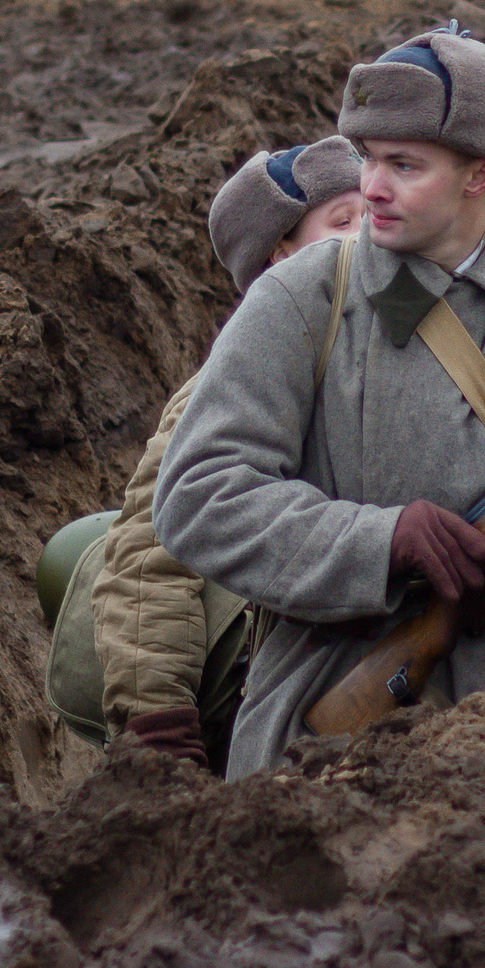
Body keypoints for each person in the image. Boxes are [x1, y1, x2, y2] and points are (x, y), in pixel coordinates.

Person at [156, 27, 485, 778]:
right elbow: (195, 497)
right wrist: (380, 541)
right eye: (365, 157)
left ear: (480, 173)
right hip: (333, 715)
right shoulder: (301, 298)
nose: (371, 188)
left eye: (404, 164)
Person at [87, 135, 364, 768]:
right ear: (279, 258)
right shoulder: (217, 391)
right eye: (343, 223)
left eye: (374, 215)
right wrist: (158, 726)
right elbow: (147, 559)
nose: (369, 237)